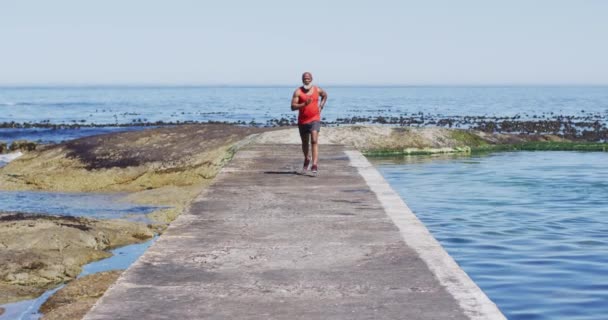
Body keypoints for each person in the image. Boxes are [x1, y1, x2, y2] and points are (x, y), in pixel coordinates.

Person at [291, 72, 328, 174]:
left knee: (314, 140)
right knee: (305, 143)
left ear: (311, 79)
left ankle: (314, 165)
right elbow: (293, 107)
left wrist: (321, 106)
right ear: (302, 79)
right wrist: (304, 104)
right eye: (305, 78)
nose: (307, 79)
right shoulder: (298, 92)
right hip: (302, 121)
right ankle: (307, 158)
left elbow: (325, 95)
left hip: (315, 119)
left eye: (308, 78)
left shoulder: (317, 89)